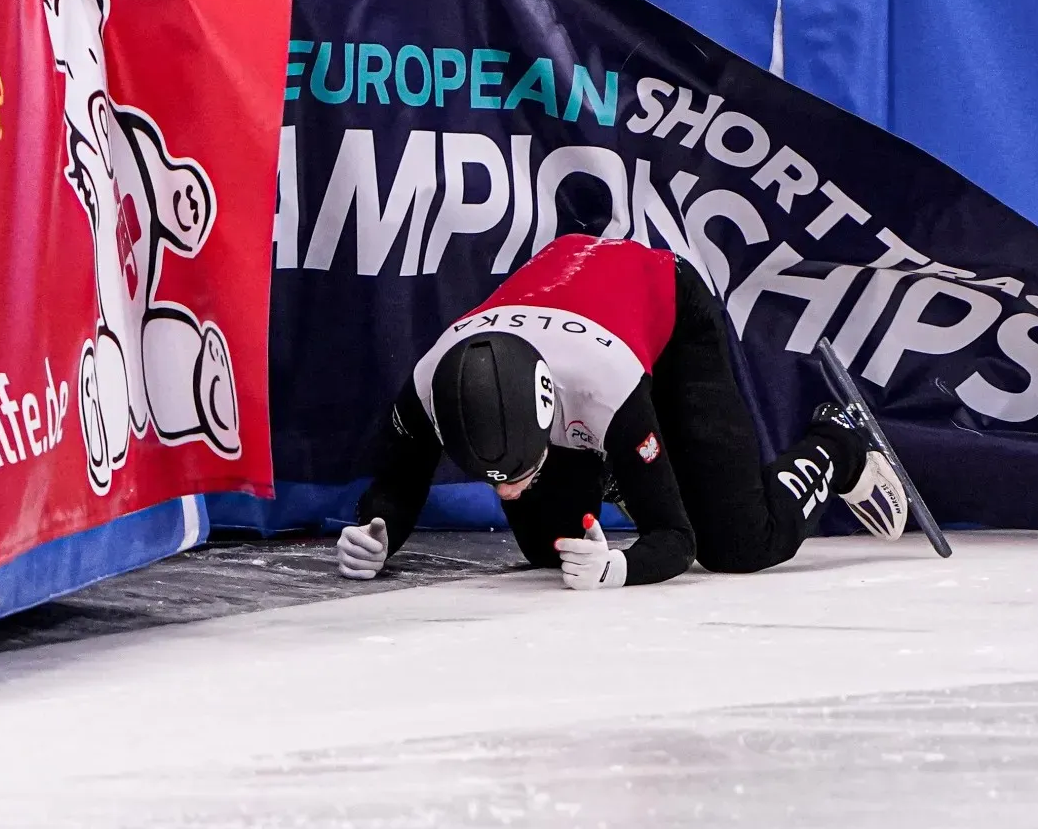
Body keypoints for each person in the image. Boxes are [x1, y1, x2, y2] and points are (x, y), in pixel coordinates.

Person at [334, 233, 909, 590]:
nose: (506, 494)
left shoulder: (605, 388)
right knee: (550, 549)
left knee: (738, 544)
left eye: (518, 474)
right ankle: (613, 470)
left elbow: (675, 539)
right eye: (495, 480)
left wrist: (623, 570)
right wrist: (378, 532)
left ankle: (839, 443)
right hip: (571, 293)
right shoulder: (431, 381)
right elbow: (398, 480)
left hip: (661, 303)